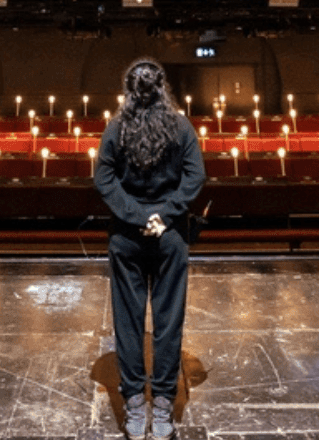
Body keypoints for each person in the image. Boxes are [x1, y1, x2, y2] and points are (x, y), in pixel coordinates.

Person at [94, 58, 206, 440]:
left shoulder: (116, 127)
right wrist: (164, 215)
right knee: (168, 320)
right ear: (162, 89)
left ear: (128, 91)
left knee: (127, 322)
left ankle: (133, 404)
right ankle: (162, 405)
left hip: (127, 236)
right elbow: (196, 175)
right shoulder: (181, 126)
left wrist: (136, 215)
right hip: (169, 235)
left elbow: (103, 178)